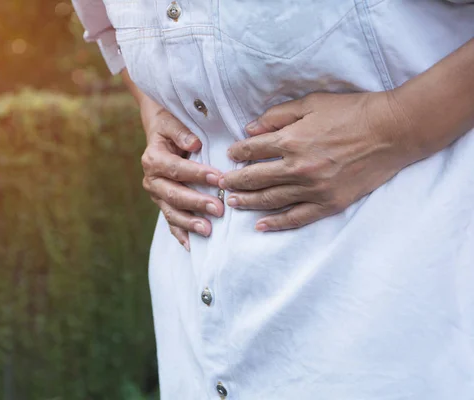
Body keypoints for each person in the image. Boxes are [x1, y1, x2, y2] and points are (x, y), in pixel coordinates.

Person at [71, 0, 474, 398]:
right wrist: (159, 114)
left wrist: (396, 126)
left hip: (407, 306)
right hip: (194, 324)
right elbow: (110, 29)